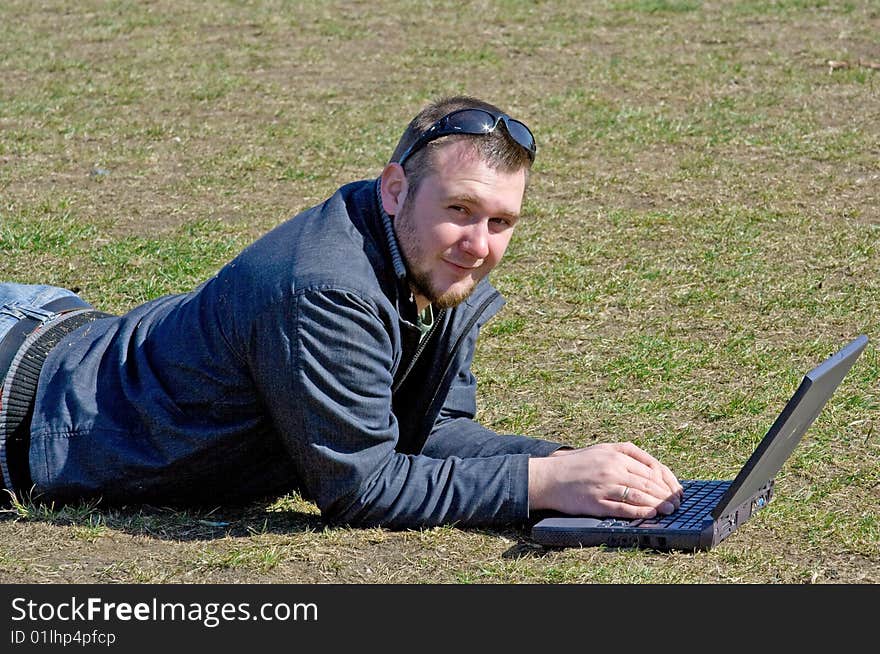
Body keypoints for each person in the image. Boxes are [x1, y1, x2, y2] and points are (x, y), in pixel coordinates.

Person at [0, 95, 682, 529]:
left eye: (502, 221)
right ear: (395, 190)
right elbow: (364, 488)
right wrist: (544, 484)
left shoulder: (428, 266)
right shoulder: (330, 290)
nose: (479, 245)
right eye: (459, 210)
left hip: (61, 334)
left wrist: (582, 472)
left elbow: (426, 430)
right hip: (20, 400)